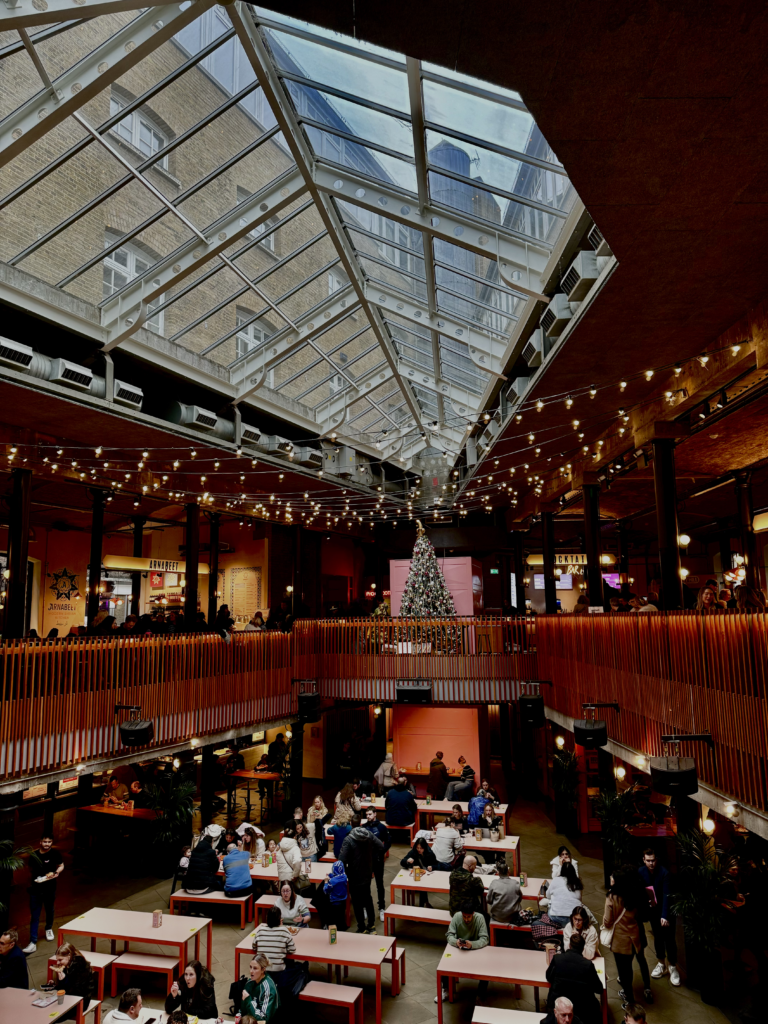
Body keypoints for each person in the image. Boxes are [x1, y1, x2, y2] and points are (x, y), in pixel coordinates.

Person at [602, 866, 652, 1009]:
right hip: (633, 939)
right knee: (630, 966)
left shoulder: (612, 897)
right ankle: (641, 989)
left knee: (623, 971)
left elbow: (607, 921)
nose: (611, 878)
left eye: (613, 877)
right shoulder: (634, 895)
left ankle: (630, 1001)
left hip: (620, 941)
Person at [639, 848, 680, 986]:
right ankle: (661, 963)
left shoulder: (664, 873)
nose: (651, 863)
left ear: (657, 860)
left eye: (653, 860)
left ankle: (672, 966)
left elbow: (666, 895)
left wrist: (664, 916)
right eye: (648, 861)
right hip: (652, 910)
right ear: (644, 860)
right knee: (658, 937)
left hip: (666, 911)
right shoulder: (641, 872)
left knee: (669, 939)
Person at [435, 902, 489, 1001]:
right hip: (459, 949)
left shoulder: (480, 918)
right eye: (464, 916)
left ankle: (480, 995)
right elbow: (449, 935)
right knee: (445, 963)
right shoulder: (457, 917)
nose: (466, 919)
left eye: (468, 917)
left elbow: (485, 939)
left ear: (473, 913)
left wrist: (472, 944)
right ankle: (445, 989)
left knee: (486, 967)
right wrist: (456, 942)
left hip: (475, 950)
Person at [339, 815, 384, 934]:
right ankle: (372, 925)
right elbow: (380, 845)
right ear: (360, 823)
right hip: (367, 872)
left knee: (357, 901)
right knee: (368, 898)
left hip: (354, 874)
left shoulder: (348, 839)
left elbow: (342, 860)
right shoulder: (368, 835)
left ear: (350, 823)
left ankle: (361, 926)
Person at [545, 933, 602, 1024]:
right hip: (581, 1008)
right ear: (583, 948)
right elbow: (599, 989)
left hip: (558, 1003)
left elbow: (548, 977)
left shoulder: (557, 959)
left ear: (569, 945)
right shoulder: (588, 965)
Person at [23, 832, 64, 952]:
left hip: (50, 888)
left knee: (49, 909)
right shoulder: (34, 855)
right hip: (36, 888)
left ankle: (48, 928)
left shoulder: (55, 853)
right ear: (40, 842)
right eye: (45, 841)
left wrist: (56, 872)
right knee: (35, 915)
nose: (47, 844)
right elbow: (29, 870)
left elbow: (61, 865)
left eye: (49, 842)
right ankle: (33, 942)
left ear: (52, 842)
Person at [252, 905, 297, 1004]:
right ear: (279, 919)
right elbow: (292, 949)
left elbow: (254, 947)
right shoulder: (284, 931)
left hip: (262, 971)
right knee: (293, 965)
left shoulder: (260, 930)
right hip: (278, 972)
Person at [49, 942, 93, 1020]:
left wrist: (64, 981)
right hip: (68, 997)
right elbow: (63, 989)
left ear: (69, 956)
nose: (57, 963)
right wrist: (54, 986)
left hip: (80, 1001)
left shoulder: (82, 967)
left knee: (52, 1016)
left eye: (60, 960)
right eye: (57, 960)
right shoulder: (65, 966)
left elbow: (76, 992)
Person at [362, 806, 390, 921]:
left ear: (375, 814)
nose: (367, 816)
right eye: (366, 814)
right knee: (366, 885)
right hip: (366, 861)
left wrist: (382, 851)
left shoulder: (381, 828)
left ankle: (382, 908)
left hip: (378, 860)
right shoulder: (363, 828)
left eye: (369, 814)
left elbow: (388, 841)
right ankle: (365, 908)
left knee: (379, 884)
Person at [240, 953, 279, 1022]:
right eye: (250, 967)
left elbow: (263, 1020)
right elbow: (243, 1009)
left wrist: (248, 1001)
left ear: (263, 970)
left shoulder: (268, 988)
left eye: (255, 968)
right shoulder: (250, 982)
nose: (251, 971)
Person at [543, 862, 584, 927]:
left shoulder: (556, 880)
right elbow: (579, 899)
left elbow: (548, 895)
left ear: (561, 871)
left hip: (556, 918)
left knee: (550, 904)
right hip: (574, 920)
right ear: (573, 871)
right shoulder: (577, 882)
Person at [400, 837, 437, 908]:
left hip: (428, 875)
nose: (419, 850)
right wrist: (407, 861)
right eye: (417, 848)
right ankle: (424, 904)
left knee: (422, 886)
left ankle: (422, 906)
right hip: (416, 875)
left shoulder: (430, 853)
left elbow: (436, 864)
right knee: (422, 886)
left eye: (421, 848)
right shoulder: (413, 852)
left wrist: (432, 867)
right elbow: (402, 862)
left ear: (425, 848)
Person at [312, 859, 348, 930]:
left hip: (334, 902)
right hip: (342, 901)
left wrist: (326, 882)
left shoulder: (332, 882)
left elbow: (326, 890)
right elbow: (337, 876)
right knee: (340, 917)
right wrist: (331, 875)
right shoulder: (344, 877)